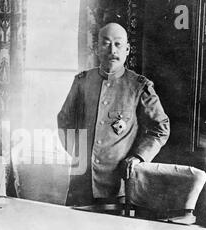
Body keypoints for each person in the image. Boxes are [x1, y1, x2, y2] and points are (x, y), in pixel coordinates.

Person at [57, 23, 170, 206]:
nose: (112, 50)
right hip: (81, 182)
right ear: (96, 48)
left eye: (118, 44)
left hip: (117, 184)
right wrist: (77, 152)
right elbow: (64, 119)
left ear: (127, 50)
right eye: (106, 43)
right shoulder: (82, 82)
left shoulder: (139, 86)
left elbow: (161, 127)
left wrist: (139, 156)